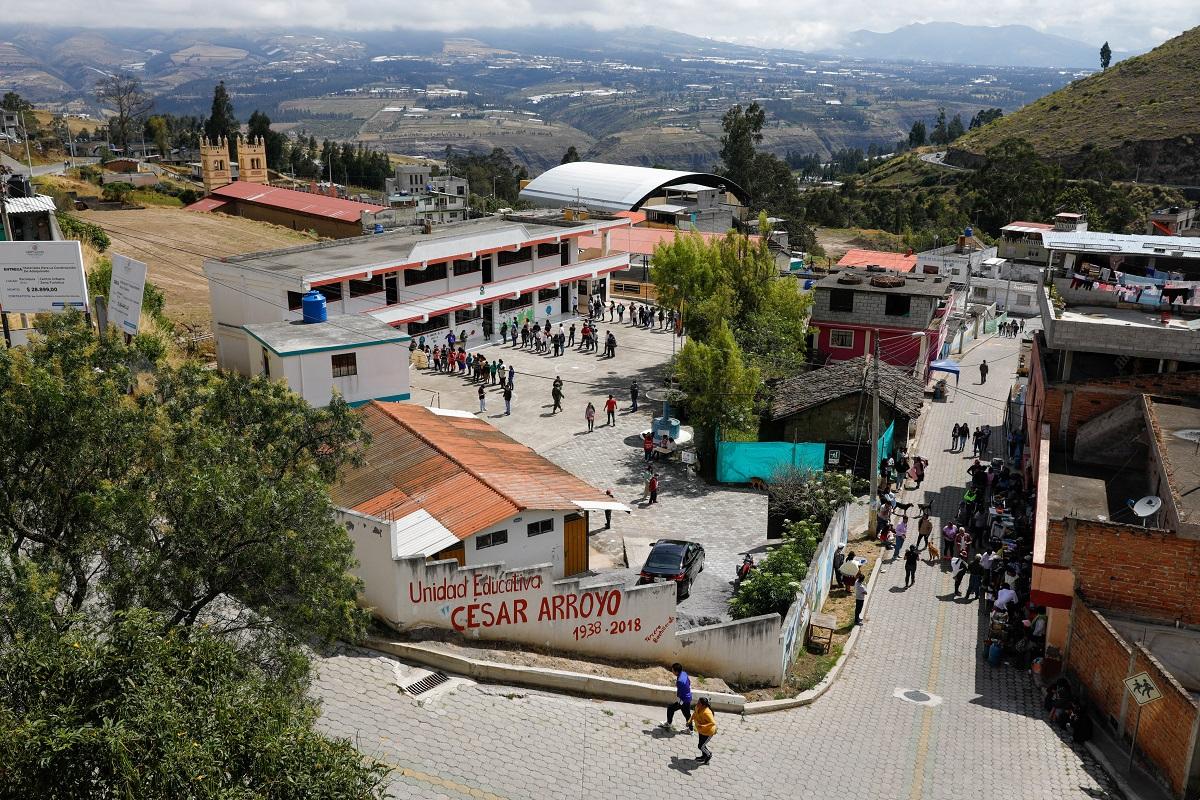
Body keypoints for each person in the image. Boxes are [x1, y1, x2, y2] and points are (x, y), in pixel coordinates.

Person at [662, 663, 693, 731]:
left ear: (676, 672)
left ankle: (669, 724)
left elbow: (680, 693)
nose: (672, 671)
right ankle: (690, 729)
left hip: (683, 700)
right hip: (688, 698)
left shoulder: (679, 681)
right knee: (687, 714)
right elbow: (689, 682)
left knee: (670, 708)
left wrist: (679, 701)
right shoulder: (684, 673)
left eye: (672, 670)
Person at [688, 697, 717, 764]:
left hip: (708, 732)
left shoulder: (707, 712)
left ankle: (709, 755)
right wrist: (689, 721)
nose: (697, 704)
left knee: (700, 746)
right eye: (698, 702)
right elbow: (694, 714)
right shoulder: (697, 707)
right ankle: (704, 756)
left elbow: (713, 723)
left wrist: (703, 726)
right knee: (702, 745)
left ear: (703, 705)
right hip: (701, 730)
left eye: (699, 703)